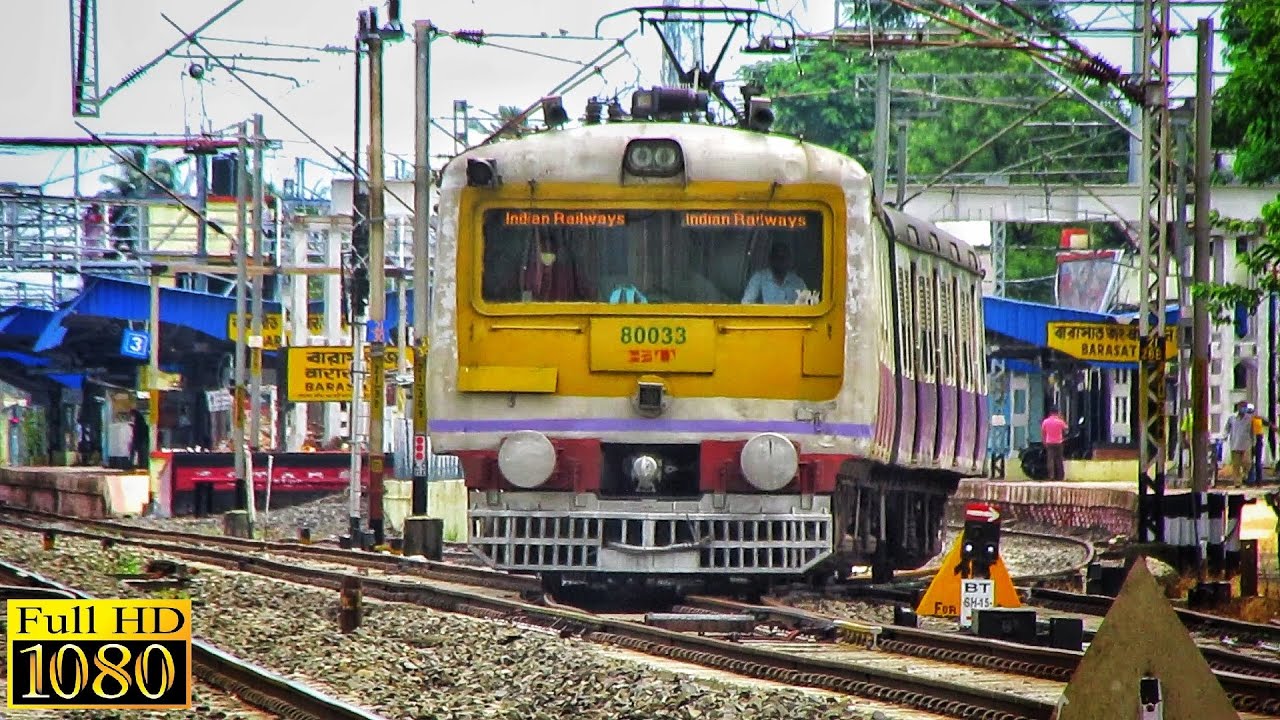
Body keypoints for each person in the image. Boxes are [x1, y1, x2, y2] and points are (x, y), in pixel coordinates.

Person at [742, 241, 808, 304]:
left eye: (783, 257)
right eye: (777, 257)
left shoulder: (798, 282)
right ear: (770, 259)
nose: (780, 261)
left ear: (789, 259)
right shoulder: (759, 278)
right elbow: (747, 303)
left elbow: (807, 307)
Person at [1224, 402, 1256, 486]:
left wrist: (1253, 442)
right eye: (1242, 407)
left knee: (1247, 462)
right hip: (1234, 444)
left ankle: (1244, 475)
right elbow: (1227, 428)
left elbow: (1252, 431)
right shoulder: (1232, 418)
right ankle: (1237, 483)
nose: (1243, 409)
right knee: (1236, 465)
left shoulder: (1249, 418)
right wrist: (1225, 436)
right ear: (1238, 408)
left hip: (1246, 444)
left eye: (1245, 407)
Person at [1040, 406, 1068, 482]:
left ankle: (1051, 476)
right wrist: (1062, 419)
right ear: (1057, 412)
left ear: (1050, 413)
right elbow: (1066, 430)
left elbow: (1043, 433)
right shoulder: (1060, 421)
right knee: (1059, 459)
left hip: (1049, 442)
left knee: (1050, 460)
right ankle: (1060, 476)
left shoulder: (1045, 421)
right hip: (1059, 442)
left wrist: (1044, 441)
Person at [1251, 405, 1271, 486]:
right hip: (1249, 440)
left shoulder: (1258, 418)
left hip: (1258, 439)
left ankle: (1258, 481)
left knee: (1258, 462)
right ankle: (1251, 480)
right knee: (1249, 462)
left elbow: (1269, 424)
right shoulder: (1246, 419)